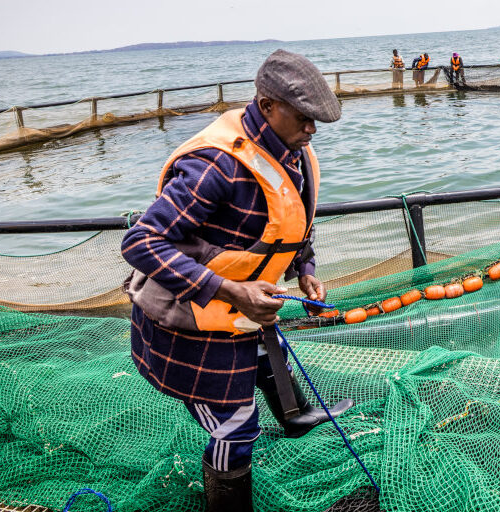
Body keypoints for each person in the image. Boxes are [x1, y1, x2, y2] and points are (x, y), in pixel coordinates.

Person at [121, 49, 353, 511]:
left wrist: (305, 271)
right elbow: (140, 244)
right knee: (235, 427)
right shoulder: (215, 165)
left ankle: (294, 416)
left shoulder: (294, 152)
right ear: (267, 105)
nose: (312, 129)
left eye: (318, 120)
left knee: (273, 354)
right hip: (187, 317)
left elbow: (292, 225)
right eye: (304, 117)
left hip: (244, 306)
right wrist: (231, 291)